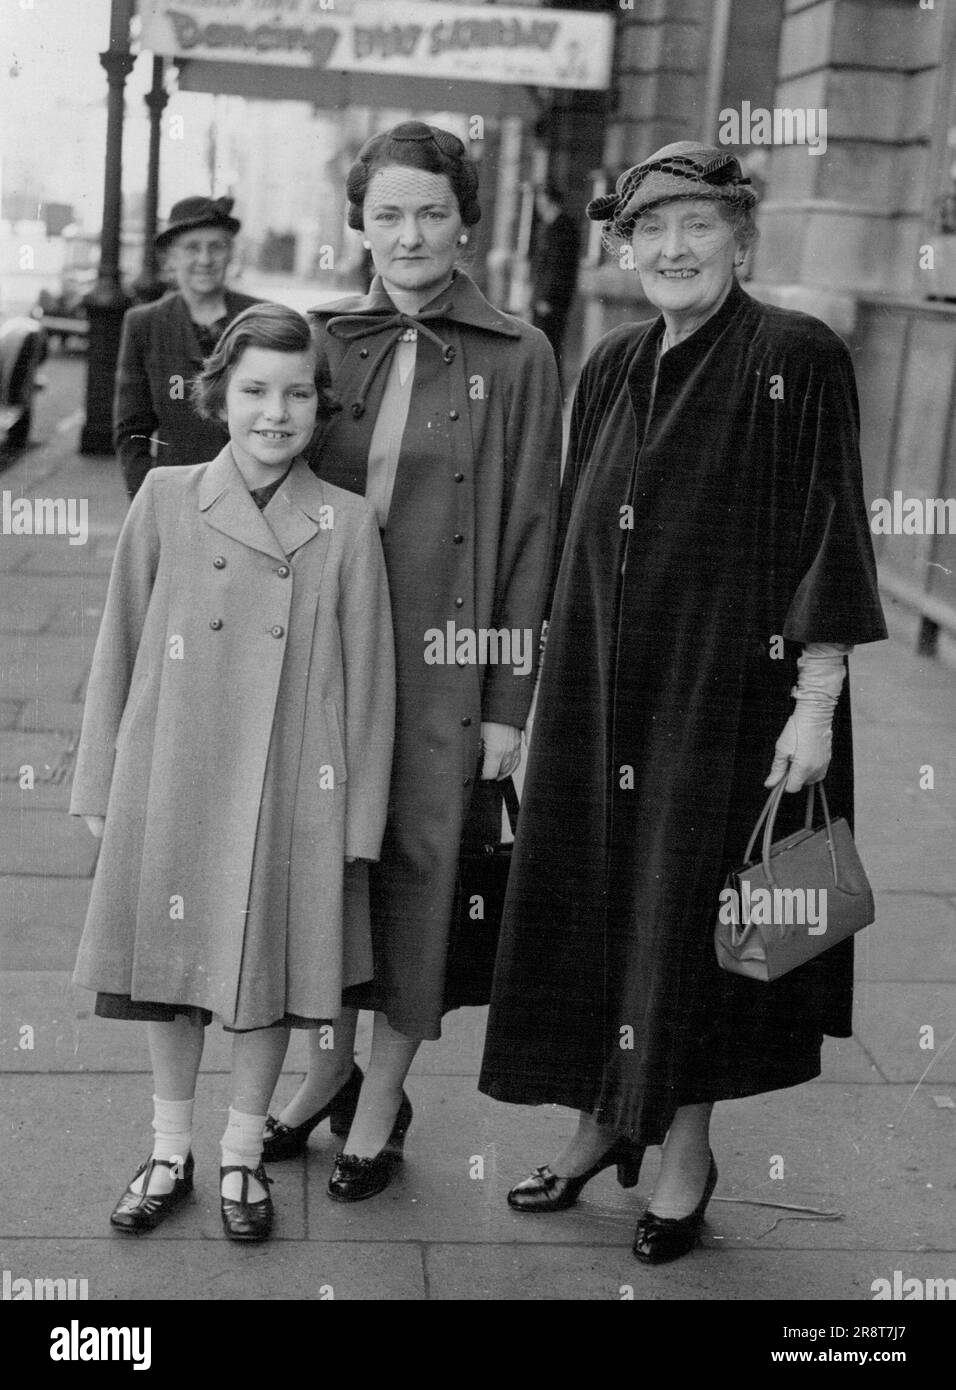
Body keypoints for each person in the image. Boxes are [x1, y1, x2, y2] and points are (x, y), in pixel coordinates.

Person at [478, 142, 888, 1264]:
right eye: (648, 231)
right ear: (623, 249)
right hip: (597, 698)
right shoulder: (609, 362)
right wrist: (536, 699)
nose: (670, 249)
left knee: (693, 924)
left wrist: (813, 703)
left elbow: (830, 533)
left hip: (728, 698)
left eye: (696, 227)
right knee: (591, 902)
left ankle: (684, 1154)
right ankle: (598, 1117)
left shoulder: (795, 354)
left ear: (739, 237)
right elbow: (568, 543)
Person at [262, 120, 561, 1202]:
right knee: (324, 868)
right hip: (323, 654)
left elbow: (533, 527)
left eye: (431, 211)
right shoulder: (321, 339)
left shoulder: (519, 354)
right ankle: (321, 1067)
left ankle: (381, 1098)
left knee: (421, 878)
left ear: (465, 221)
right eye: (386, 213)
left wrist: (507, 702)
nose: (409, 233)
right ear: (360, 225)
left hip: (446, 661)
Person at [70, 303, 394, 1242]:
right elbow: (119, 642)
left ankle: (243, 1154)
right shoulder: (167, 497)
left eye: (297, 393)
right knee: (166, 972)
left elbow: (370, 686)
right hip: (170, 771)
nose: (274, 412)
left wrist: (357, 822)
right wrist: (100, 783)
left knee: (270, 976)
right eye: (254, 390)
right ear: (219, 396)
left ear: (318, 407)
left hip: (294, 785)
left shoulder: (345, 522)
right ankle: (170, 1147)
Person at [114, 196, 260, 497]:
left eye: (216, 246)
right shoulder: (145, 324)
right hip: (178, 494)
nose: (205, 260)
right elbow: (132, 431)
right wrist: (149, 502)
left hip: (253, 491)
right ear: (170, 257)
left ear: (230, 253)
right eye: (192, 247)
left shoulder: (257, 318)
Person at [530, 182, 580, 388]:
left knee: (549, 346)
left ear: (550, 201)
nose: (538, 205)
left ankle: (550, 391)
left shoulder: (562, 227)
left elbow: (559, 267)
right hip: (543, 299)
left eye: (541, 200)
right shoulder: (551, 225)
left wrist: (546, 298)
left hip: (551, 302)